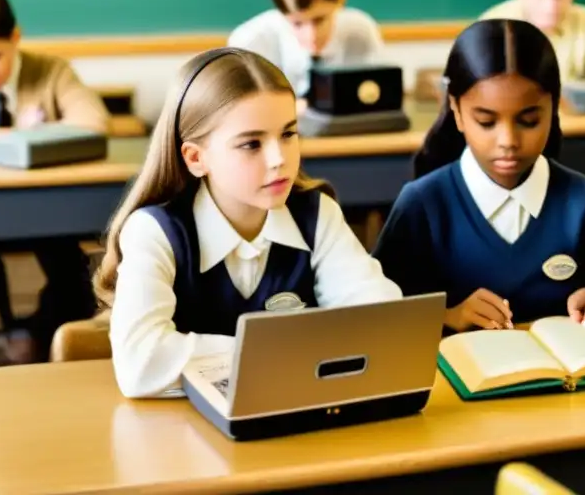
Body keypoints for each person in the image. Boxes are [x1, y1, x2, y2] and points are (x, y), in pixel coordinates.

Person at [95, 47, 401, 399]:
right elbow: (141, 364)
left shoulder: (317, 216)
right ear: (196, 158)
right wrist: (295, 350)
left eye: (288, 134)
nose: (279, 160)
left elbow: (384, 324)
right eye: (251, 144)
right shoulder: (155, 232)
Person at [371, 19, 585, 332]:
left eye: (529, 120)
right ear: (457, 112)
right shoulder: (422, 204)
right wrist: (449, 317)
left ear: (553, 108)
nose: (508, 141)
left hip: (566, 379)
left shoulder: (582, 200)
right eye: (486, 122)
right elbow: (379, 315)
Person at [0, 0, 107, 363]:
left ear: (16, 36)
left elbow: (93, 123)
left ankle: (40, 335)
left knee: (73, 272)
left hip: (46, 212)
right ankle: (9, 329)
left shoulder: (51, 71)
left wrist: (26, 140)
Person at [228, 0, 385, 101]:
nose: (312, 36)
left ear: (340, 0)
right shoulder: (250, 42)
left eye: (320, 20)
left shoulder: (360, 31)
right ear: (280, 12)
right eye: (297, 24)